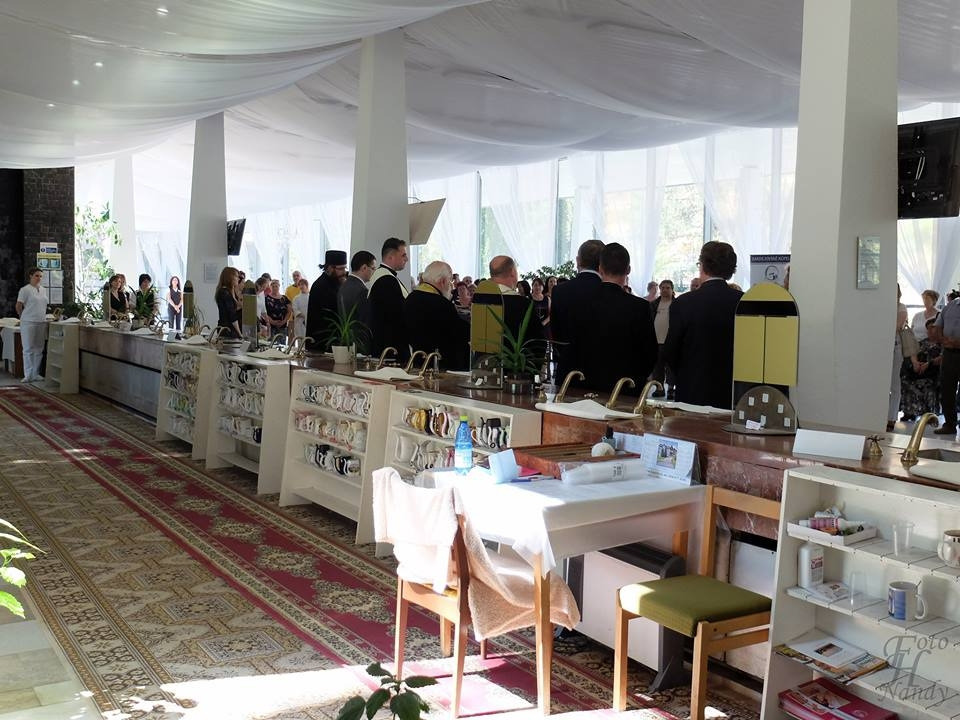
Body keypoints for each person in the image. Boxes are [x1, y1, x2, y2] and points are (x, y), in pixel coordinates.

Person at [663, 241, 743, 409]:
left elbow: (671, 349)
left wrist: (685, 372)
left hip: (691, 388)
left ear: (702, 265)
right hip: (732, 390)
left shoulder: (683, 302)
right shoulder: (743, 302)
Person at [573, 243, 658, 393]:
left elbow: (575, 345)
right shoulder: (640, 307)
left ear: (600, 268)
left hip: (587, 385)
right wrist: (637, 378)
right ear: (628, 270)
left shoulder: (581, 303)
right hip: (626, 386)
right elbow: (650, 353)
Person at [551, 239, 604, 379]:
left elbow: (555, 332)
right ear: (602, 263)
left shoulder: (559, 291)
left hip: (567, 367)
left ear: (578, 261)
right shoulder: (608, 291)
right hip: (601, 370)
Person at [403, 261, 469, 370]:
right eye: (450, 280)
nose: (451, 285)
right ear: (442, 281)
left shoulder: (410, 298)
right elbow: (458, 333)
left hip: (418, 360)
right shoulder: (442, 304)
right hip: (440, 364)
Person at [367, 237, 410, 362]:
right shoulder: (386, 280)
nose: (406, 259)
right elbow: (395, 316)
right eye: (403, 255)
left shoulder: (384, 276)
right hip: (391, 349)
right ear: (391, 257)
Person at [900, 289, 941, 422]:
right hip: (916, 349)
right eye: (923, 299)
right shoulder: (918, 315)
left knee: (927, 381)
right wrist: (915, 361)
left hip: (932, 357)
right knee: (906, 378)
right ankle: (910, 411)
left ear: (934, 300)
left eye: (927, 299)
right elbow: (911, 332)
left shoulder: (939, 315)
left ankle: (928, 413)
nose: (924, 301)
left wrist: (928, 364)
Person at [307, 249, 348, 351]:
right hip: (322, 342)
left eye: (345, 268)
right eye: (340, 269)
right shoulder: (320, 286)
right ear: (330, 268)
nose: (344, 272)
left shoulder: (336, 283)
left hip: (333, 340)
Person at [337, 250, 376, 349]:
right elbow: (366, 323)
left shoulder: (343, 286)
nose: (374, 272)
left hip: (345, 342)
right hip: (360, 345)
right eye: (373, 268)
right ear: (364, 268)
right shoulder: (362, 291)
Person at [934, 292, 960, 435]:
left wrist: (957, 342)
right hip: (949, 354)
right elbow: (938, 325)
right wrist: (942, 339)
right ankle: (950, 424)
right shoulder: (951, 305)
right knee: (947, 389)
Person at [15, 267, 47, 383]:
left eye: (40, 276)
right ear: (31, 276)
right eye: (36, 276)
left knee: (39, 348)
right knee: (28, 348)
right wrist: (22, 316)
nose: (39, 278)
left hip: (41, 321)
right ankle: (28, 374)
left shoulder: (43, 290)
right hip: (28, 322)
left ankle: (35, 373)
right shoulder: (25, 290)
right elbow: (18, 305)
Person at [649, 279, 676, 395]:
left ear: (672, 290)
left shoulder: (677, 304)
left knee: (671, 366)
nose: (665, 290)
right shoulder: (653, 304)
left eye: (667, 288)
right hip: (656, 340)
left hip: (671, 340)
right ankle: (659, 388)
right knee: (657, 366)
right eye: (663, 288)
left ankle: (671, 388)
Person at [215, 266, 241, 338]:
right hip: (228, 330)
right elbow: (232, 315)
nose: (238, 279)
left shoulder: (227, 291)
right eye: (236, 276)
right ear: (230, 277)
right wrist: (240, 334)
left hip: (226, 328)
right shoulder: (225, 292)